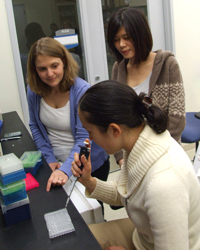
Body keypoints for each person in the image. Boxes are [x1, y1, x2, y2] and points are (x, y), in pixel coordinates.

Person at [71, 80, 200, 250]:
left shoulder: (164, 183)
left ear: (114, 130)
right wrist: (88, 181)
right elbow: (126, 194)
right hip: (144, 237)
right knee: (79, 241)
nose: (90, 139)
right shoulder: (137, 142)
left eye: (90, 132)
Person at [26, 37, 109, 193]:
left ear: (64, 61)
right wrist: (49, 159)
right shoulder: (33, 90)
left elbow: (84, 139)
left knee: (92, 213)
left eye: (54, 66)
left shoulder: (82, 91)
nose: (49, 73)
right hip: (54, 162)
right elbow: (35, 125)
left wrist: (65, 170)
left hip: (87, 165)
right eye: (42, 69)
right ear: (35, 70)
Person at [106, 7, 185, 167]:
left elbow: (177, 118)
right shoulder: (118, 68)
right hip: (131, 157)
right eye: (116, 39)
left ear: (141, 35)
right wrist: (121, 157)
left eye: (127, 37)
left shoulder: (168, 65)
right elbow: (114, 115)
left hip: (164, 156)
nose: (121, 45)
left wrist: (153, 157)